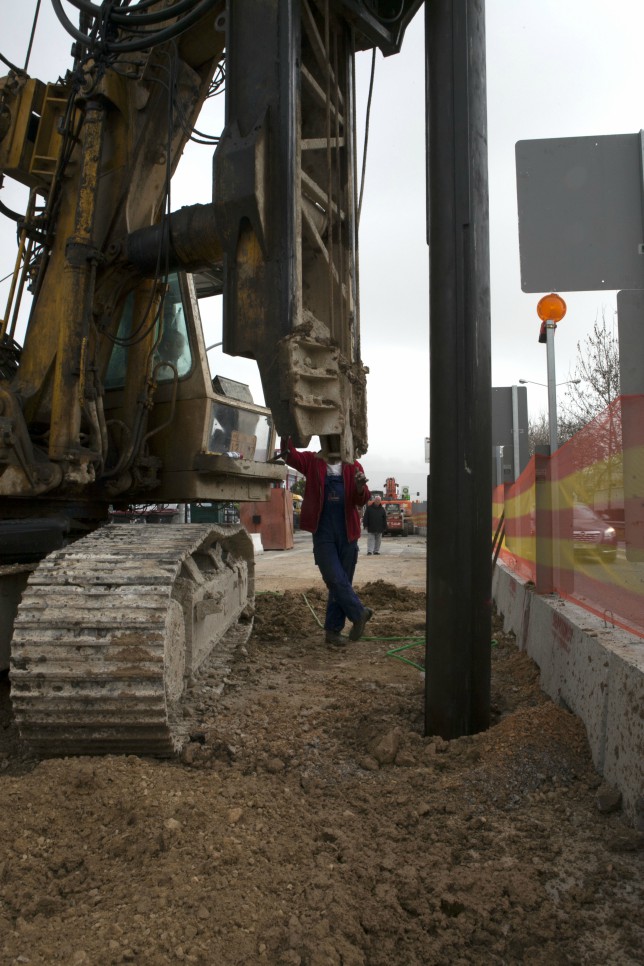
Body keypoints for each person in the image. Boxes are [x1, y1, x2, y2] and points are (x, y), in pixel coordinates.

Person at [280, 436, 373, 647]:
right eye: (328, 438)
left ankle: (332, 631)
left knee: (342, 583)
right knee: (333, 577)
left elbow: (361, 499)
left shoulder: (353, 465)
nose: (332, 443)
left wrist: (359, 487)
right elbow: (288, 454)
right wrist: (287, 430)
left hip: (348, 532)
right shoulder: (313, 462)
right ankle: (359, 613)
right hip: (323, 531)